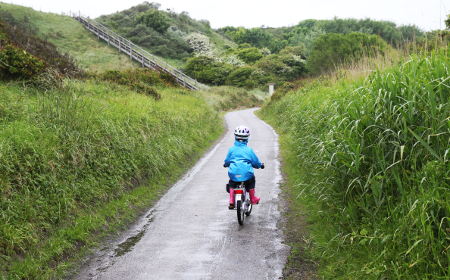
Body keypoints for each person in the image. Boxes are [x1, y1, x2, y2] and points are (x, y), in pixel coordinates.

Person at [223, 125, 264, 209]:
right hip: (247, 174)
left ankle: (231, 200)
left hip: (234, 174)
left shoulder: (231, 149)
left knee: (231, 183)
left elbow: (227, 161)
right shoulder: (249, 150)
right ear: (247, 138)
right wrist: (260, 165)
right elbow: (255, 161)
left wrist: (226, 164)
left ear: (235, 137)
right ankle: (252, 198)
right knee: (251, 180)